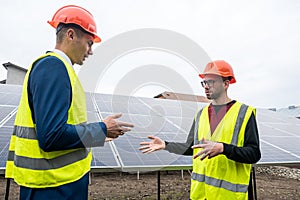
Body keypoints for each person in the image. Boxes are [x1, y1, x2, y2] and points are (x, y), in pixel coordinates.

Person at [5, 5, 134, 200]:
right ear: (71, 35)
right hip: (51, 187)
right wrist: (101, 129)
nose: (90, 51)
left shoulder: (62, 70)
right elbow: (51, 136)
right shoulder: (53, 67)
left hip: (59, 183)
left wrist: (97, 135)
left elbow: (62, 128)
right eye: (89, 43)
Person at [140, 60, 261, 200]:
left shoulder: (243, 113)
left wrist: (224, 148)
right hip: (200, 195)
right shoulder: (200, 115)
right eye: (204, 82)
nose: (206, 86)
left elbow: (254, 154)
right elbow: (191, 147)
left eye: (211, 82)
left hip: (229, 196)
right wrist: (166, 145)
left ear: (226, 83)